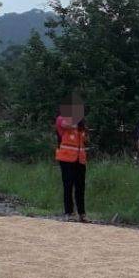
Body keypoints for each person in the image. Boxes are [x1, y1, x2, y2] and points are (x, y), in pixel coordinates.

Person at [55, 94, 89, 222]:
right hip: (66, 158)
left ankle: (82, 213)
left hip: (79, 159)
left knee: (80, 187)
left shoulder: (80, 123)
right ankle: (69, 212)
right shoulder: (61, 119)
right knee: (68, 185)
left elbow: (84, 138)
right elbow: (67, 125)